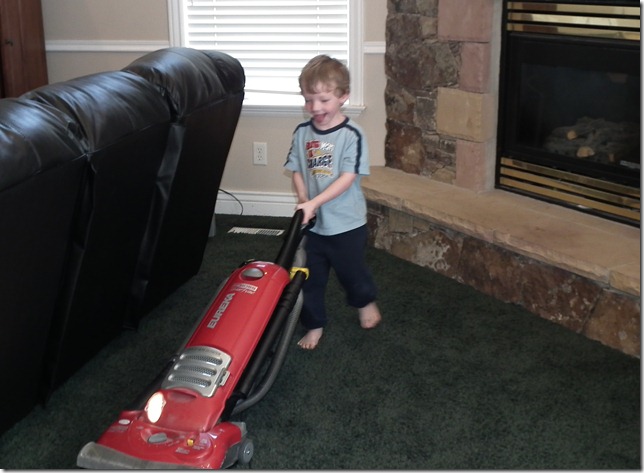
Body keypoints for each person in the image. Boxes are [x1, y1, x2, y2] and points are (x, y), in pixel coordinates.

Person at [284, 54, 382, 350]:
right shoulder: (302, 133)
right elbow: (296, 169)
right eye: (308, 99)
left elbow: (347, 177)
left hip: (347, 224)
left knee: (352, 274)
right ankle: (314, 325)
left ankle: (364, 302)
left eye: (324, 100)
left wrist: (315, 202)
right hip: (313, 226)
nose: (315, 107)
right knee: (308, 278)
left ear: (343, 96)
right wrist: (304, 199)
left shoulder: (352, 135)